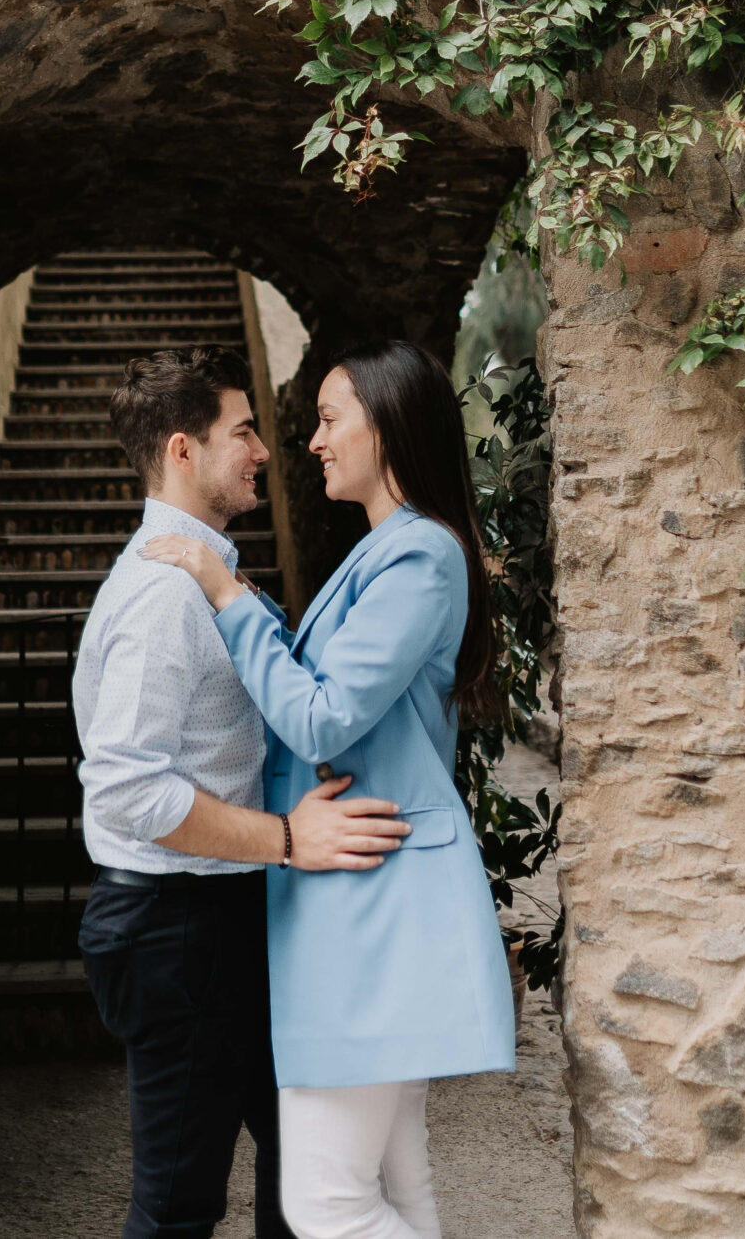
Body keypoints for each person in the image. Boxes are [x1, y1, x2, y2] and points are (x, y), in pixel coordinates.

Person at [143, 337, 516, 1239]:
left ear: (384, 427)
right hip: (370, 900)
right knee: (401, 1183)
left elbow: (320, 718)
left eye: (329, 417)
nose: (311, 440)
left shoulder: (418, 555)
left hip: (373, 909)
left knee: (324, 1201)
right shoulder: (392, 547)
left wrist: (226, 595)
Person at [73, 345, 416, 1239]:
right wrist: (289, 839)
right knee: (178, 1205)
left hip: (219, 916)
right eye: (243, 431)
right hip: (177, 926)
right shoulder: (165, 595)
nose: (265, 450)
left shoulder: (201, 576)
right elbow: (127, 788)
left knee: (304, 1174)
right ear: (183, 450)